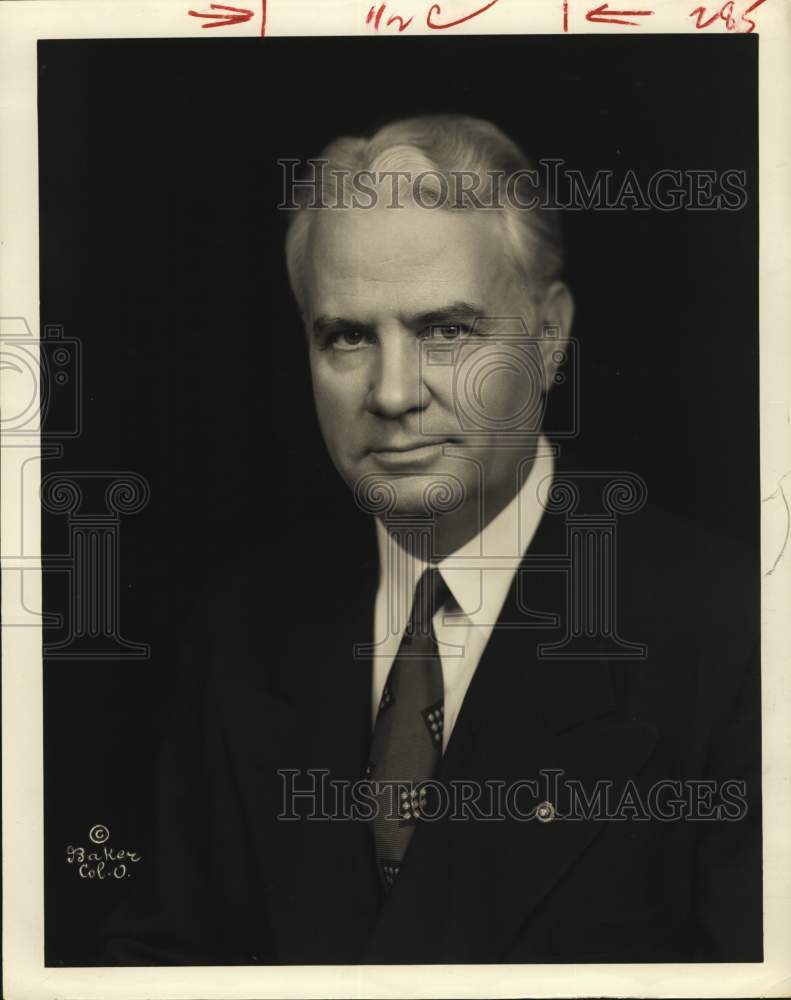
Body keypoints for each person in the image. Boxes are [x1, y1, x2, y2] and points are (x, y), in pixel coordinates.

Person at [104, 115, 761, 965]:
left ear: (548, 335)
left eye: (445, 331)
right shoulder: (243, 626)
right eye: (345, 336)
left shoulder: (732, 631)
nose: (391, 392)